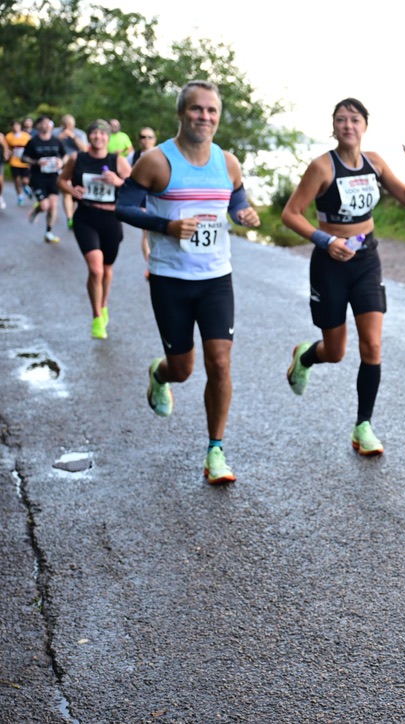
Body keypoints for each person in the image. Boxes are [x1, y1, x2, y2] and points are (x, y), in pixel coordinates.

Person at [114, 80, 260, 485]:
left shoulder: (227, 162)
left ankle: (216, 451)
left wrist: (244, 213)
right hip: (170, 279)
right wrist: (167, 226)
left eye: (212, 111)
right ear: (181, 113)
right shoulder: (156, 161)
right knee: (182, 368)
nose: (204, 117)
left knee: (220, 362)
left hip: (216, 278)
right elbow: (123, 207)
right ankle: (160, 375)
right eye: (197, 109)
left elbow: (236, 198)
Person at [280, 98, 405, 457]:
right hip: (330, 263)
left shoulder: (374, 163)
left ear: (365, 126)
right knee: (335, 351)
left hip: (366, 261)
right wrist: (326, 241)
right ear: (334, 127)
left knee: (372, 345)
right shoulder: (322, 167)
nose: (348, 125)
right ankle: (306, 357)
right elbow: (291, 214)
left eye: (355, 119)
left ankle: (364, 426)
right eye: (341, 119)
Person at [57, 119, 131, 339]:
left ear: (108, 137)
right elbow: (61, 181)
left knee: (107, 269)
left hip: (111, 219)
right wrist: (72, 190)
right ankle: (97, 317)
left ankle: (104, 304)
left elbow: (135, 187)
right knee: (96, 269)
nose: (98, 137)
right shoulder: (77, 158)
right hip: (86, 217)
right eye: (94, 133)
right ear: (89, 136)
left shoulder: (117, 161)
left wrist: (118, 182)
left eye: (102, 133)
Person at [22, 115, 66, 243]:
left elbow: (65, 156)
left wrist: (61, 162)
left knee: (53, 205)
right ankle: (37, 210)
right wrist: (36, 162)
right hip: (38, 178)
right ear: (38, 126)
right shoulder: (33, 142)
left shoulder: (56, 141)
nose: (47, 125)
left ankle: (49, 232)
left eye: (49, 123)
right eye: (44, 123)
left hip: (53, 177)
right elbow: (24, 158)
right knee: (45, 206)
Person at [128, 127, 158, 279]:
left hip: (160, 199)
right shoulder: (133, 156)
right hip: (142, 200)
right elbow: (126, 176)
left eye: (149, 137)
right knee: (146, 231)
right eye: (142, 137)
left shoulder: (161, 156)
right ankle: (150, 266)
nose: (146, 140)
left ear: (155, 140)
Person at [57, 114, 89, 230]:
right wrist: (60, 138)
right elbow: (50, 143)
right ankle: (69, 217)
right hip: (62, 165)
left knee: (75, 192)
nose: (68, 127)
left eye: (70, 125)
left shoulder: (80, 133)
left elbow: (85, 149)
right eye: (65, 125)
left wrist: (74, 137)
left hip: (78, 166)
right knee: (67, 192)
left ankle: (73, 214)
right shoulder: (56, 132)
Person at [6, 120, 32, 206]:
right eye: (14, 126)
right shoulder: (8, 137)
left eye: (17, 126)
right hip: (14, 161)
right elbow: (7, 148)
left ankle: (25, 186)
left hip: (24, 161)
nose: (16, 128)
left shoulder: (26, 136)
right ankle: (20, 196)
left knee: (25, 180)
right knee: (16, 179)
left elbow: (31, 147)